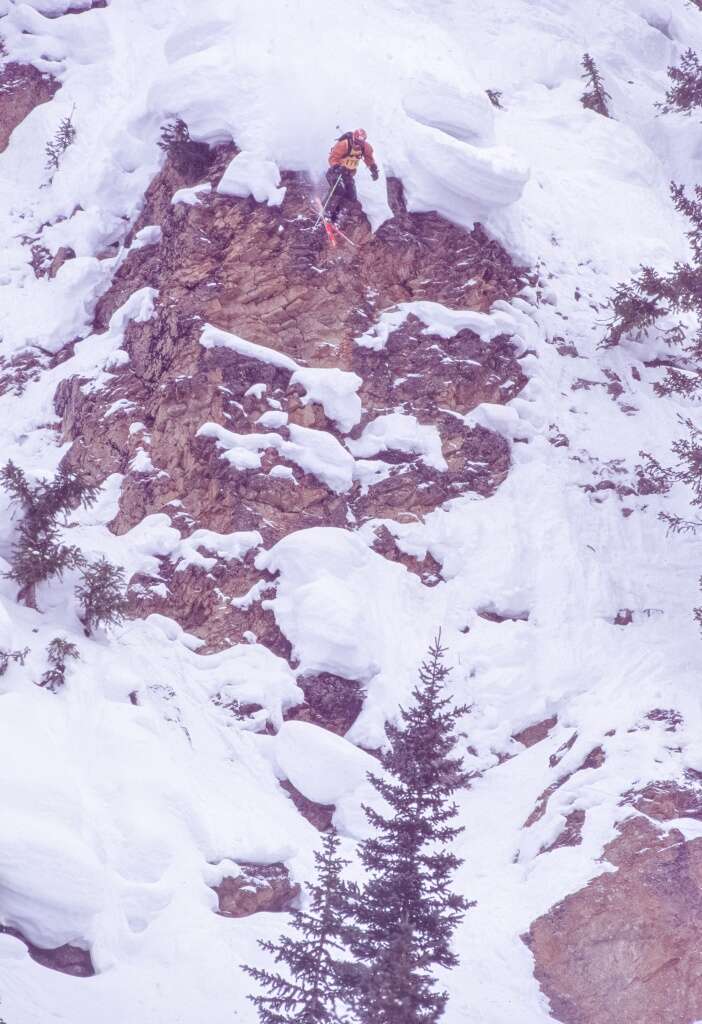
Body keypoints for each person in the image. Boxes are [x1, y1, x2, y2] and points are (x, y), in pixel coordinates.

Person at [323, 128, 379, 224]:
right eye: (356, 142)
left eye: (360, 142)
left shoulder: (365, 147)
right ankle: (327, 211)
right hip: (336, 172)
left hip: (348, 174)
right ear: (353, 138)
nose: (358, 145)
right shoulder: (344, 144)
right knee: (339, 190)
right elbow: (333, 157)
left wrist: (373, 169)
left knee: (352, 197)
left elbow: (369, 159)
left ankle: (338, 216)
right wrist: (337, 167)